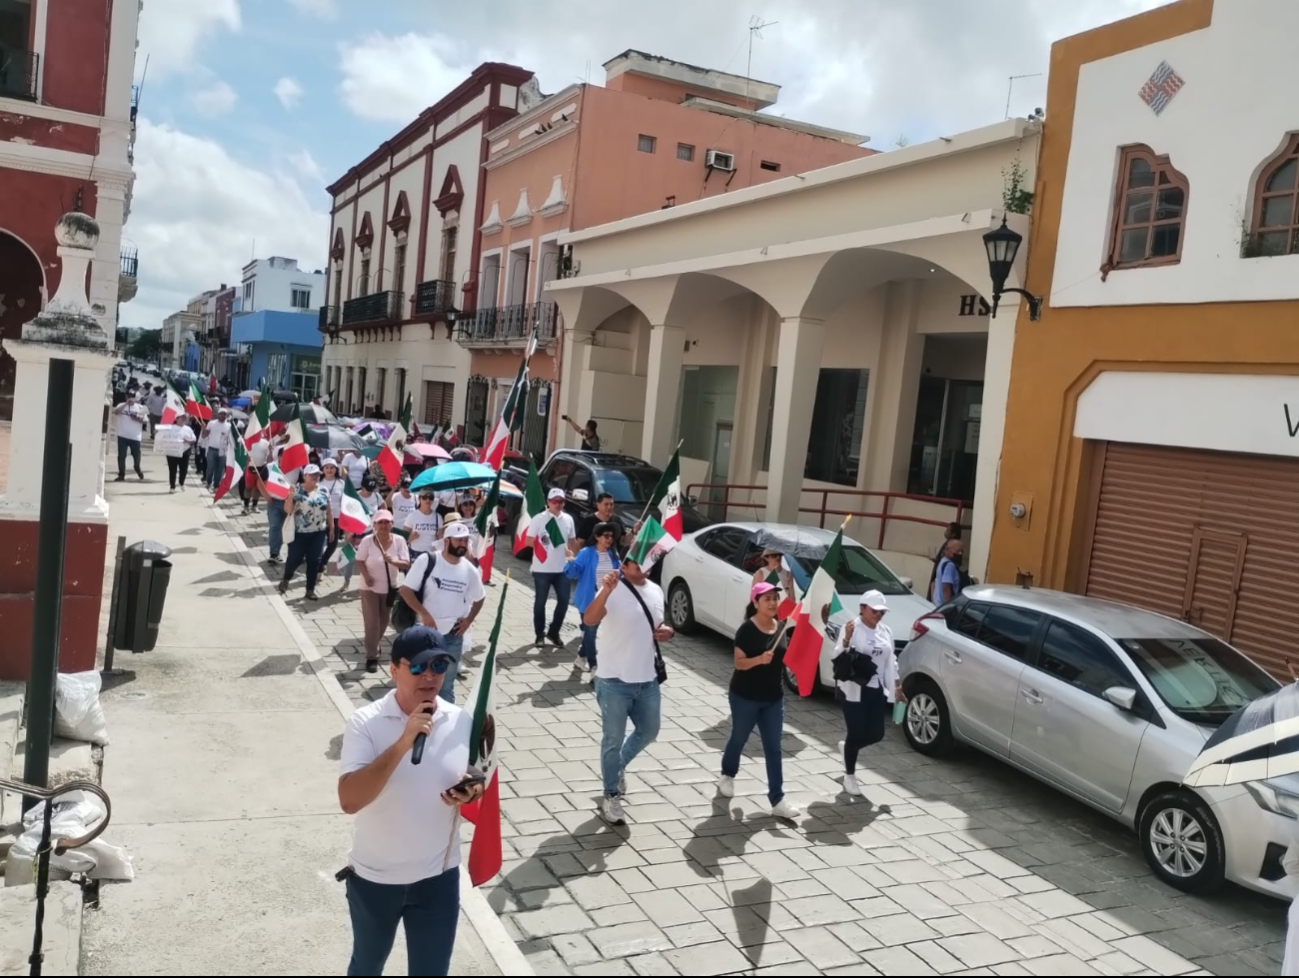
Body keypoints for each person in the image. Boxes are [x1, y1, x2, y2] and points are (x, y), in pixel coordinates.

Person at [337, 626, 484, 977]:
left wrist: (472, 787)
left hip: (438, 878)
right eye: (418, 667)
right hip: (376, 879)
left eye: (439, 665)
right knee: (367, 965)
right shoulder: (365, 723)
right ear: (394, 670)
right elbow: (349, 800)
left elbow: (474, 773)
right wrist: (404, 742)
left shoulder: (461, 720)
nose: (430, 676)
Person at [584, 558, 673, 825]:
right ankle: (610, 794)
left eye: (648, 561)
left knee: (650, 730)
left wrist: (668, 631)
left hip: (647, 678)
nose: (644, 566)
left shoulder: (656, 589)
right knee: (612, 738)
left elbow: (658, 625)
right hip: (613, 680)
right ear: (625, 565)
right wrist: (607, 591)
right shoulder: (612, 587)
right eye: (638, 561)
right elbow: (590, 619)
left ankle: (618, 766)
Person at [719, 582, 798, 817]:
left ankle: (777, 800)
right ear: (756, 603)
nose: (773, 603)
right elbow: (738, 663)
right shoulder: (747, 630)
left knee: (773, 747)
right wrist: (758, 660)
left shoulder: (781, 627)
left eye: (775, 598)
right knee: (739, 738)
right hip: (745, 696)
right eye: (768, 599)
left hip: (773, 698)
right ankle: (727, 774)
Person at [399, 523, 484, 705]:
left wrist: (468, 621)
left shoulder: (470, 570)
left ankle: (445, 725)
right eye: (459, 540)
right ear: (446, 541)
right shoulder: (428, 560)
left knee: (446, 684)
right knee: (419, 679)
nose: (463, 544)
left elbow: (480, 598)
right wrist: (424, 614)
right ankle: (414, 716)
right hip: (424, 632)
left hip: (453, 634)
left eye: (466, 540)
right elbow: (406, 591)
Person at [833, 590, 903, 797]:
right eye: (875, 611)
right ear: (862, 608)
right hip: (854, 689)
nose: (878, 615)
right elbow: (837, 656)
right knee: (855, 731)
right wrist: (846, 639)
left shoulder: (886, 631)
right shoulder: (853, 628)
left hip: (877, 689)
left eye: (882, 612)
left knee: (877, 733)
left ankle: (848, 749)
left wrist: (897, 685)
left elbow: (892, 660)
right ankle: (850, 775)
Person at [355, 510, 410, 673]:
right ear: (375, 525)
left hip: (389, 588)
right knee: (372, 621)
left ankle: (374, 643)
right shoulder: (368, 541)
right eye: (381, 522)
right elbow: (359, 560)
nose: (384, 525)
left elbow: (406, 563)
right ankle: (372, 656)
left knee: (384, 621)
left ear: (392, 524)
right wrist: (366, 576)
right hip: (369, 587)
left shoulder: (399, 541)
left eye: (387, 522)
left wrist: (394, 560)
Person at [565, 521, 620, 674]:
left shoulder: (613, 554)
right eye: (606, 536)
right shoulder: (586, 553)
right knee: (591, 632)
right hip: (589, 600)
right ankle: (594, 665)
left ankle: (581, 657)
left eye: (611, 536)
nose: (609, 539)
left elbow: (619, 573)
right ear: (597, 537)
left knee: (591, 631)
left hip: (607, 601)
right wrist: (570, 560)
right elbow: (572, 573)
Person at [528, 487, 578, 647]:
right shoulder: (538, 519)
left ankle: (554, 632)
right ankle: (539, 634)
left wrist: (574, 557)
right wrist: (543, 543)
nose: (558, 504)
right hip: (542, 569)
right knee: (540, 602)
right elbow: (529, 540)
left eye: (561, 501)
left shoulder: (568, 519)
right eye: (555, 501)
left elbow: (572, 541)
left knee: (564, 601)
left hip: (562, 569)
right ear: (548, 502)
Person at [277, 463, 332, 600]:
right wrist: (290, 496)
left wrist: (332, 526)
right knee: (295, 559)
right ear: (305, 476)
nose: (315, 477)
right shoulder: (296, 490)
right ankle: (286, 578)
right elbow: (288, 510)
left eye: (317, 475)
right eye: (312, 475)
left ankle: (310, 590)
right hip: (299, 532)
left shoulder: (324, 490)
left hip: (318, 532)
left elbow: (328, 509)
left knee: (314, 561)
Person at [111, 394, 147, 482]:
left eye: (133, 397)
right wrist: (126, 404)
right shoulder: (121, 405)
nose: (130, 398)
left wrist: (138, 418)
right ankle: (121, 474)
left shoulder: (141, 407)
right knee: (121, 456)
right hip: (122, 435)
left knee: (136, 455)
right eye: (129, 396)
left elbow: (145, 420)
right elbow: (116, 412)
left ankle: (137, 468)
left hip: (135, 437)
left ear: (136, 398)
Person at [319, 457, 346, 569]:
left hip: (336, 516)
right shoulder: (318, 482)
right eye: (327, 468)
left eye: (332, 468)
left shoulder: (341, 483)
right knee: (319, 542)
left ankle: (322, 563)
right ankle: (316, 561)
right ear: (323, 469)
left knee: (333, 543)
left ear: (336, 469)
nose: (329, 470)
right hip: (320, 517)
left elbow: (344, 500)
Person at [161, 413, 197, 493]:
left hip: (184, 452)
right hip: (172, 452)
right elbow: (163, 437)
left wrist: (187, 441)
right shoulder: (170, 428)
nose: (183, 419)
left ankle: (181, 483)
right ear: (176, 419)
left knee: (183, 469)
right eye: (181, 418)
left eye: (185, 418)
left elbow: (194, 439)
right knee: (172, 470)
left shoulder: (188, 429)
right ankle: (172, 486)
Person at [927, 523, 963, 600]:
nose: (960, 553)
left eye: (948, 530)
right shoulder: (946, 560)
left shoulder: (950, 565)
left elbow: (946, 587)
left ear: (953, 534)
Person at [406, 491, 442, 557]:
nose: (428, 500)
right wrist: (410, 538)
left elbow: (441, 539)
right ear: (419, 499)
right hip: (415, 553)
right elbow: (403, 538)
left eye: (430, 498)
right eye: (425, 497)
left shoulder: (438, 516)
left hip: (432, 554)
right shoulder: (412, 516)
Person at [204, 407, 232, 490]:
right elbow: (204, 435)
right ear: (218, 415)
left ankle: (216, 485)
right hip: (212, 449)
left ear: (226, 416)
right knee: (210, 468)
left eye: (224, 414)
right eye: (221, 414)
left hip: (223, 450)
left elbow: (231, 439)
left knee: (219, 469)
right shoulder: (211, 423)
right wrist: (203, 428)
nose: (222, 415)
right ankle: (208, 482)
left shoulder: (229, 426)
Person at [931, 538, 965, 605]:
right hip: (944, 607)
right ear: (947, 550)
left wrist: (934, 600)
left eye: (962, 551)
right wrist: (948, 607)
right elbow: (946, 587)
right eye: (957, 551)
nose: (960, 554)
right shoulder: (950, 566)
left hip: (937, 604)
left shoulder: (942, 561)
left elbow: (934, 583)